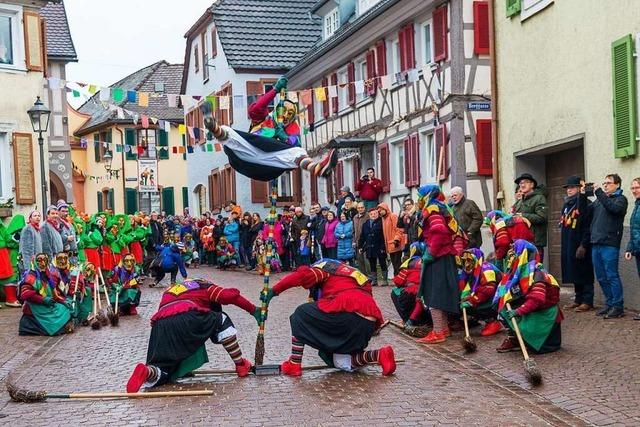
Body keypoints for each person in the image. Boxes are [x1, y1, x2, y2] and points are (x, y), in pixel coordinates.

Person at [261, 260, 396, 377]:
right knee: (341, 361)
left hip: (349, 314)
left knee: (300, 314)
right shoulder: (354, 273)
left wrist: (274, 291)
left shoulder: (326, 268)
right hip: (367, 325)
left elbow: (300, 276)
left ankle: (294, 364)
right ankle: (379, 355)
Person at [125, 278, 261, 392]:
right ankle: (241, 365)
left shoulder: (170, 290)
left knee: (164, 368)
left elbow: (179, 329)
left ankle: (148, 372)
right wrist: (253, 310)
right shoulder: (203, 285)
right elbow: (230, 296)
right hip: (188, 314)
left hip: (160, 325)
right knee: (221, 319)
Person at [201, 76, 337, 181]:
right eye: (284, 112)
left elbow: (295, 143)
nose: (286, 116)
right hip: (248, 153)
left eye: (290, 114)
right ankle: (213, 126)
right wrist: (275, 90)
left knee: (297, 152)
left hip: (268, 164)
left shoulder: (291, 127)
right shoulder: (265, 118)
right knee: (228, 132)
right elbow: (256, 108)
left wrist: (284, 136)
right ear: (277, 110)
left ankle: (318, 168)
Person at [496, 240, 563, 354]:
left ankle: (527, 339)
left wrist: (518, 311)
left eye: (515, 252)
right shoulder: (519, 272)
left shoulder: (537, 273)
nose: (511, 255)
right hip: (535, 309)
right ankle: (515, 339)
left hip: (545, 316)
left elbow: (536, 300)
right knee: (503, 308)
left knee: (509, 311)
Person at [415, 185, 460, 344]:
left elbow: (439, 231)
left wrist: (431, 252)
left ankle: (438, 332)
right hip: (444, 256)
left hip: (439, 257)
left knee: (433, 293)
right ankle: (444, 329)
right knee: (440, 293)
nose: (418, 199)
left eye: (420, 196)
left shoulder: (433, 209)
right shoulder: (440, 207)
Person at [591, 173, 628, 319]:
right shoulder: (600, 200)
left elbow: (614, 209)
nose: (605, 185)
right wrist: (581, 197)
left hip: (610, 243)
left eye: (609, 183)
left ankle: (618, 306)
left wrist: (599, 192)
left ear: (617, 184)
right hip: (596, 243)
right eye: (604, 183)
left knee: (611, 275)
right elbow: (587, 213)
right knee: (601, 276)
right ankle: (610, 303)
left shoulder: (620, 200)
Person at [559, 176, 594, 313]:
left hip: (581, 244)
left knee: (584, 271)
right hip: (569, 242)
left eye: (572, 187)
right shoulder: (567, 205)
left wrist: (584, 245)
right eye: (568, 188)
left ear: (580, 189)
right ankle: (578, 299)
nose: (569, 190)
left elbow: (587, 226)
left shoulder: (586, 204)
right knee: (574, 271)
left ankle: (587, 300)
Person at [18, 253, 74, 336]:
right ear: (35, 262)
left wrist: (64, 301)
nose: (43, 263)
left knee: (64, 308)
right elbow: (25, 294)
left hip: (47, 303)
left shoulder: (48, 274)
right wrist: (43, 299)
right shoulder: (31, 275)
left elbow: (54, 293)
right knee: (56, 314)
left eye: (45, 261)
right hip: (35, 306)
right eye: (39, 261)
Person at [459, 248, 503, 337]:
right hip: (488, 296)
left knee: (470, 306)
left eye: (469, 260)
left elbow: (489, 289)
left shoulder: (486, 268)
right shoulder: (472, 271)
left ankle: (492, 322)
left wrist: (472, 300)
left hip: (497, 298)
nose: (466, 264)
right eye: (464, 261)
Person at [391, 243, 430, 335]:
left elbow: (398, 282)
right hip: (427, 293)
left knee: (394, 292)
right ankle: (415, 320)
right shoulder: (428, 261)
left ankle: (407, 319)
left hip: (412, 292)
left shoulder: (409, 263)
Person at [512, 173, 548, 258]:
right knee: (522, 270)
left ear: (532, 185)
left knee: (534, 269)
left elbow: (541, 217)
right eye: (520, 183)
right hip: (520, 242)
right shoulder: (519, 202)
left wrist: (523, 215)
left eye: (525, 182)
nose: (522, 185)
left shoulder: (539, 198)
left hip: (534, 243)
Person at [0, 214, 25, 308]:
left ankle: (11, 299)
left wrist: (14, 240)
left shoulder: (1, 225)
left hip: (3, 253)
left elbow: (7, 237)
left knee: (8, 277)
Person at [358, 208, 387, 286]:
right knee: (372, 264)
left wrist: (383, 246)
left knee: (382, 262)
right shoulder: (365, 224)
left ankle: (385, 280)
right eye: (371, 214)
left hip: (380, 245)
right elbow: (362, 236)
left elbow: (384, 235)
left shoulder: (382, 222)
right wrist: (360, 246)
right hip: (369, 247)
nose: (373, 215)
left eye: (375, 214)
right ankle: (374, 280)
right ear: (369, 215)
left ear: (377, 214)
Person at [625, 178, 640, 320]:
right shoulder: (637, 205)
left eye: (637, 187)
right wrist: (630, 248)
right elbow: (635, 230)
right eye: (633, 188)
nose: (634, 190)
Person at [377, 203, 405, 276]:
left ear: (386, 209)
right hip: (390, 246)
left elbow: (398, 229)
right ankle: (397, 281)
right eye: (379, 211)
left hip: (396, 244)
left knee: (397, 265)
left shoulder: (392, 216)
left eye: (381, 210)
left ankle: (399, 281)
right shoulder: (384, 219)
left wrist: (397, 239)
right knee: (394, 265)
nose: (380, 212)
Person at [352, 202, 370, 275]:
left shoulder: (368, 216)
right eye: (359, 208)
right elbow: (353, 231)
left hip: (366, 242)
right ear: (357, 209)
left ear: (364, 208)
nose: (360, 209)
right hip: (357, 242)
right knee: (360, 261)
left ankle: (370, 277)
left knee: (367, 261)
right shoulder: (355, 217)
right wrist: (354, 241)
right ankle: (364, 277)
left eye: (362, 207)